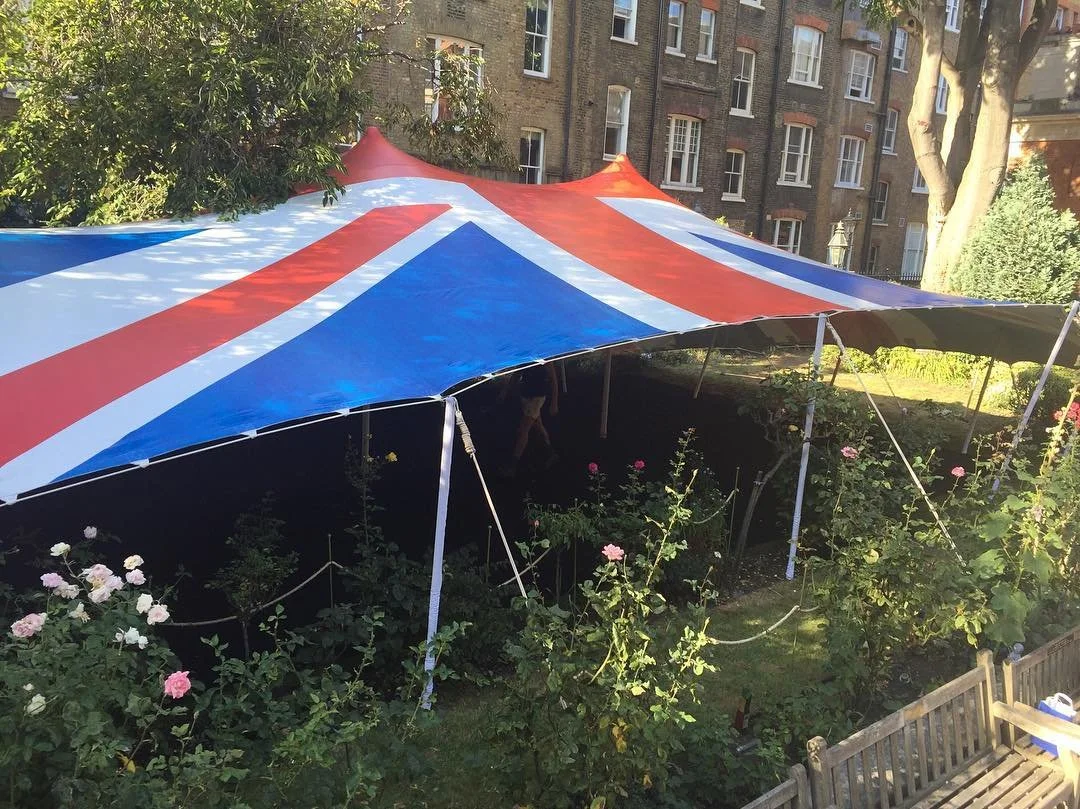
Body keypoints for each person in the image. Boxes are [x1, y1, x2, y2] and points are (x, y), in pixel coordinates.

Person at [504, 363, 559, 476]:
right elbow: (516, 374)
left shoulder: (545, 359)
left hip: (537, 397)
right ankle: (551, 453)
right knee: (538, 425)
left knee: (523, 430)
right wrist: (505, 392)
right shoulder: (525, 357)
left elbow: (554, 380)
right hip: (526, 396)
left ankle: (512, 466)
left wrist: (554, 402)